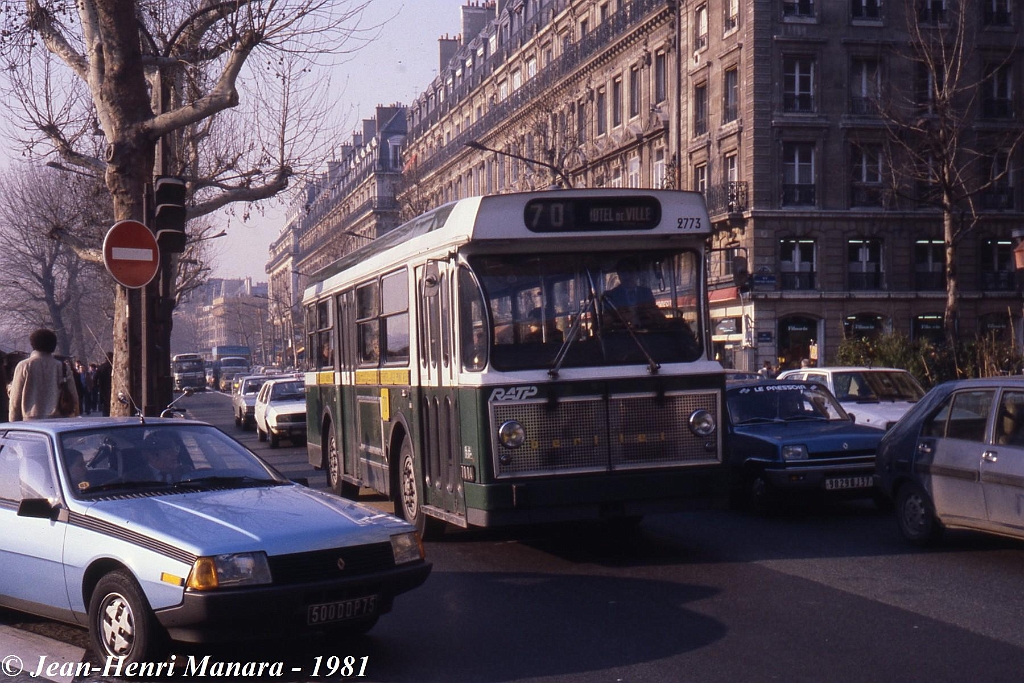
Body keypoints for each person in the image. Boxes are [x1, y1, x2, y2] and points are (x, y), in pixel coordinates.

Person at [8, 328, 79, 421]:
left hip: (30, 421)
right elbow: (74, 396)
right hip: (58, 420)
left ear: (33, 343)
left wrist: (13, 423)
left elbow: (15, 400)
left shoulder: (24, 366)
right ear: (53, 345)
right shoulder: (62, 367)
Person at [603, 258, 663, 328]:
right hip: (621, 336)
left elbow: (655, 315)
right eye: (623, 272)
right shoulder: (610, 296)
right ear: (618, 275)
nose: (627, 276)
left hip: (646, 335)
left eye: (630, 271)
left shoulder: (646, 293)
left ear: (637, 274)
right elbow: (607, 322)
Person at [95, 352, 113, 416]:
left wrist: (96, 386)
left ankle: (105, 415)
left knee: (105, 404)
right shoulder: (112, 367)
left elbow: (95, 378)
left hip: (102, 387)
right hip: (110, 387)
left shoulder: (101, 367)